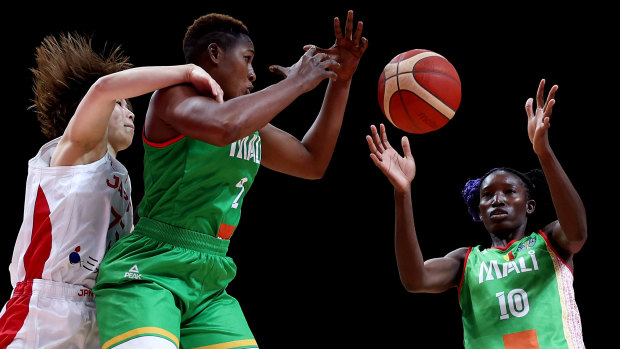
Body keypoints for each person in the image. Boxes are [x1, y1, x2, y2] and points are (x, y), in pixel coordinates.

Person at [93, 9, 367, 349]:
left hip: (210, 278)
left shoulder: (247, 123)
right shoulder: (172, 97)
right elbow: (225, 128)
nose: (253, 73)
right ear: (214, 54)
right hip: (150, 269)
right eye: (248, 59)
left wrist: (340, 80)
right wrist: (296, 82)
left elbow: (312, 162)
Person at [0, 32, 222, 348]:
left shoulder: (119, 177)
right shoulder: (73, 154)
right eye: (121, 104)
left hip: (98, 309)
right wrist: (185, 72)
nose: (131, 112)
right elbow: (104, 88)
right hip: (45, 308)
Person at [366, 79, 586, 348]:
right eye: (487, 195)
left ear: (529, 205)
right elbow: (415, 279)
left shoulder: (550, 242)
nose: (497, 200)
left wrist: (544, 152)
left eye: (509, 192)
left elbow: (577, 232)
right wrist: (402, 193)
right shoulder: (466, 261)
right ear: (479, 212)